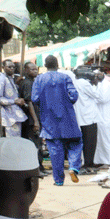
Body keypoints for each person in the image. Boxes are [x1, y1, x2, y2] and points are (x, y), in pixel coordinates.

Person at [31, 55, 82, 186]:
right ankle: (74, 166)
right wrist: (66, 102)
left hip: (49, 119)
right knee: (75, 142)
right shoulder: (65, 77)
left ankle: (58, 180)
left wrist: (46, 104)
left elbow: (35, 98)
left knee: (54, 149)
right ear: (57, 64)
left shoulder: (39, 79)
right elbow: (74, 95)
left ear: (45, 66)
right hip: (67, 117)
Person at [73, 68, 101, 172]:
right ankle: (89, 164)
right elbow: (97, 95)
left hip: (82, 116)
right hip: (89, 117)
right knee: (91, 142)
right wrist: (97, 84)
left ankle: (86, 162)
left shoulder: (75, 83)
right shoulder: (84, 83)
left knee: (85, 141)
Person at [18, 61, 44, 172]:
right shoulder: (28, 83)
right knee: (35, 144)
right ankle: (37, 167)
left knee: (36, 143)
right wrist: (36, 121)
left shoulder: (31, 82)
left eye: (36, 69)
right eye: (32, 69)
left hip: (34, 117)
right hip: (31, 119)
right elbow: (29, 103)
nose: (35, 71)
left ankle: (39, 166)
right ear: (26, 70)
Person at [0, 59, 27, 137]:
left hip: (15, 114)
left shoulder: (9, 78)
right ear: (3, 67)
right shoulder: (2, 79)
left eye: (13, 67)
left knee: (17, 139)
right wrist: (14, 101)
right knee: (13, 140)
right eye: (9, 67)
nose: (12, 68)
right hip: (9, 116)